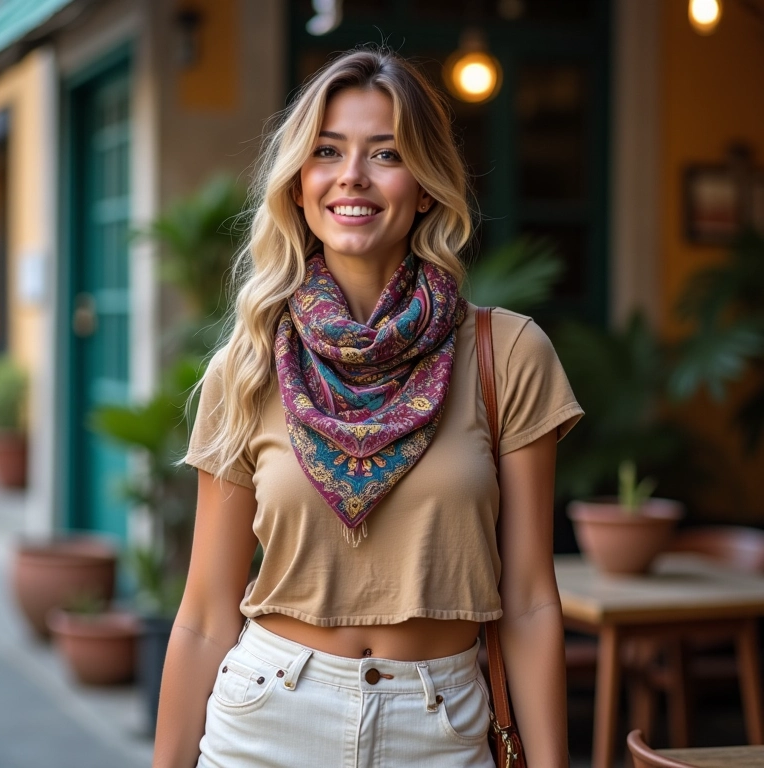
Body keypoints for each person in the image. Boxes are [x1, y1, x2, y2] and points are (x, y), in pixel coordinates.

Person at [152, 47, 583, 768]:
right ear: (298, 186)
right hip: (265, 720)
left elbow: (533, 597)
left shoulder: (506, 353)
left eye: (385, 153)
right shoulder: (251, 362)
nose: (352, 175)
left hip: (440, 729)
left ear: (426, 188)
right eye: (327, 151)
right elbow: (203, 613)